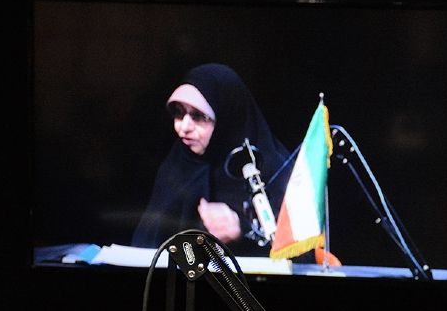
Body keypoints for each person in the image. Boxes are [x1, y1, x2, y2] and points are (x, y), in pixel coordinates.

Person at [132, 62, 340, 265]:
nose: (183, 127)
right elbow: (146, 246)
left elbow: (302, 258)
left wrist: (243, 230)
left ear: (227, 115)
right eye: (179, 113)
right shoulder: (177, 166)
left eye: (198, 116)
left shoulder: (271, 169)